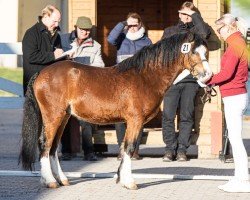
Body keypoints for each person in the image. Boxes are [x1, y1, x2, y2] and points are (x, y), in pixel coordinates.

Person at [206, 14, 250, 193]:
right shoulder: (238, 43)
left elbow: (226, 74)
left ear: (230, 27)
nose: (219, 32)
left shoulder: (235, 46)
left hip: (234, 96)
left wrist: (208, 81)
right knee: (234, 137)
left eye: (220, 29)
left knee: (235, 139)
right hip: (235, 95)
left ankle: (243, 179)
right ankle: (240, 177)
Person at [161, 1, 211, 162]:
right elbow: (162, 53)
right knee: (168, 116)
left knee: (186, 116)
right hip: (172, 81)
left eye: (189, 14)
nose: (185, 17)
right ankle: (169, 149)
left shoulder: (199, 31)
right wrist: (179, 34)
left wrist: (194, 17)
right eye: (183, 13)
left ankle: (182, 149)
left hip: (190, 81)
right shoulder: (170, 31)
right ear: (179, 14)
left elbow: (204, 33)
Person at [107, 12, 152, 160]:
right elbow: (110, 38)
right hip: (121, 83)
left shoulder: (146, 41)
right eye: (130, 25)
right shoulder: (121, 38)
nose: (132, 28)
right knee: (120, 117)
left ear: (140, 24)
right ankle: (122, 148)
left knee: (138, 117)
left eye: (135, 24)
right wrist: (122, 24)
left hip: (139, 84)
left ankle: (134, 150)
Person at [60, 16, 105, 161]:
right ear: (76, 28)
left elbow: (100, 65)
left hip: (84, 89)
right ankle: (66, 151)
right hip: (66, 87)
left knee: (87, 121)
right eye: (82, 29)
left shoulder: (96, 46)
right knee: (64, 119)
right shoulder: (63, 41)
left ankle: (89, 152)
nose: (85, 32)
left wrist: (81, 66)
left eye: (87, 30)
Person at [22, 5, 63, 95]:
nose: (57, 24)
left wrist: (66, 57)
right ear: (45, 16)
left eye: (58, 22)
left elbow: (57, 57)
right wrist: (53, 55)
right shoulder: (31, 34)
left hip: (52, 83)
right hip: (34, 83)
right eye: (54, 21)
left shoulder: (57, 35)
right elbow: (31, 57)